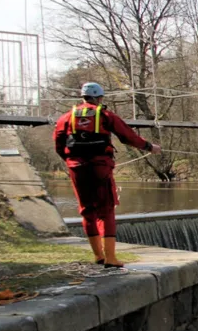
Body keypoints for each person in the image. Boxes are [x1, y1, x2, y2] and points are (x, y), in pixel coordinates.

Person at [53, 82, 161, 268]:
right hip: (100, 167)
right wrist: (149, 147)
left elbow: (58, 143)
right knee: (106, 209)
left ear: (83, 97)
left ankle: (98, 256)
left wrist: (71, 161)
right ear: (99, 98)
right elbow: (127, 135)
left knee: (87, 211)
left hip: (76, 168)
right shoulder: (105, 115)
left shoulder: (67, 118)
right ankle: (110, 257)